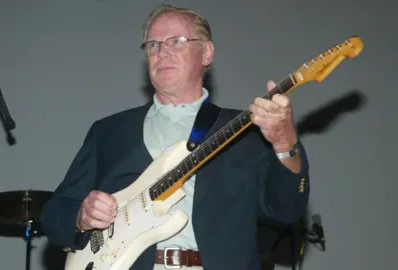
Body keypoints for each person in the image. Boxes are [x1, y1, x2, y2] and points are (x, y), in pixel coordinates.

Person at [40, 4, 310, 270]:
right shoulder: (109, 132)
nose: (161, 52)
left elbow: (287, 210)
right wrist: (81, 216)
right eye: (153, 44)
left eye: (176, 42)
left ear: (206, 53)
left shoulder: (247, 130)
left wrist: (285, 142)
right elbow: (54, 214)